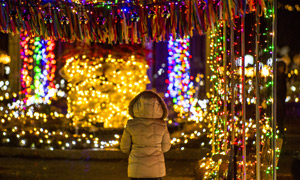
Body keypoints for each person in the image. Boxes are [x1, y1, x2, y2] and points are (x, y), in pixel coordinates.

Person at [120, 90, 171, 180]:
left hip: (136, 170)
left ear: (136, 105)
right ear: (159, 106)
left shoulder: (131, 124)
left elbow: (124, 147)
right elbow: (166, 148)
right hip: (156, 170)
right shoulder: (162, 125)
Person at [276, 60, 287, 138]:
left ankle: (281, 135)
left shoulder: (283, 77)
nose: (282, 69)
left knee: (280, 120)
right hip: (277, 101)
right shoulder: (277, 78)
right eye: (280, 67)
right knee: (278, 119)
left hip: (281, 101)